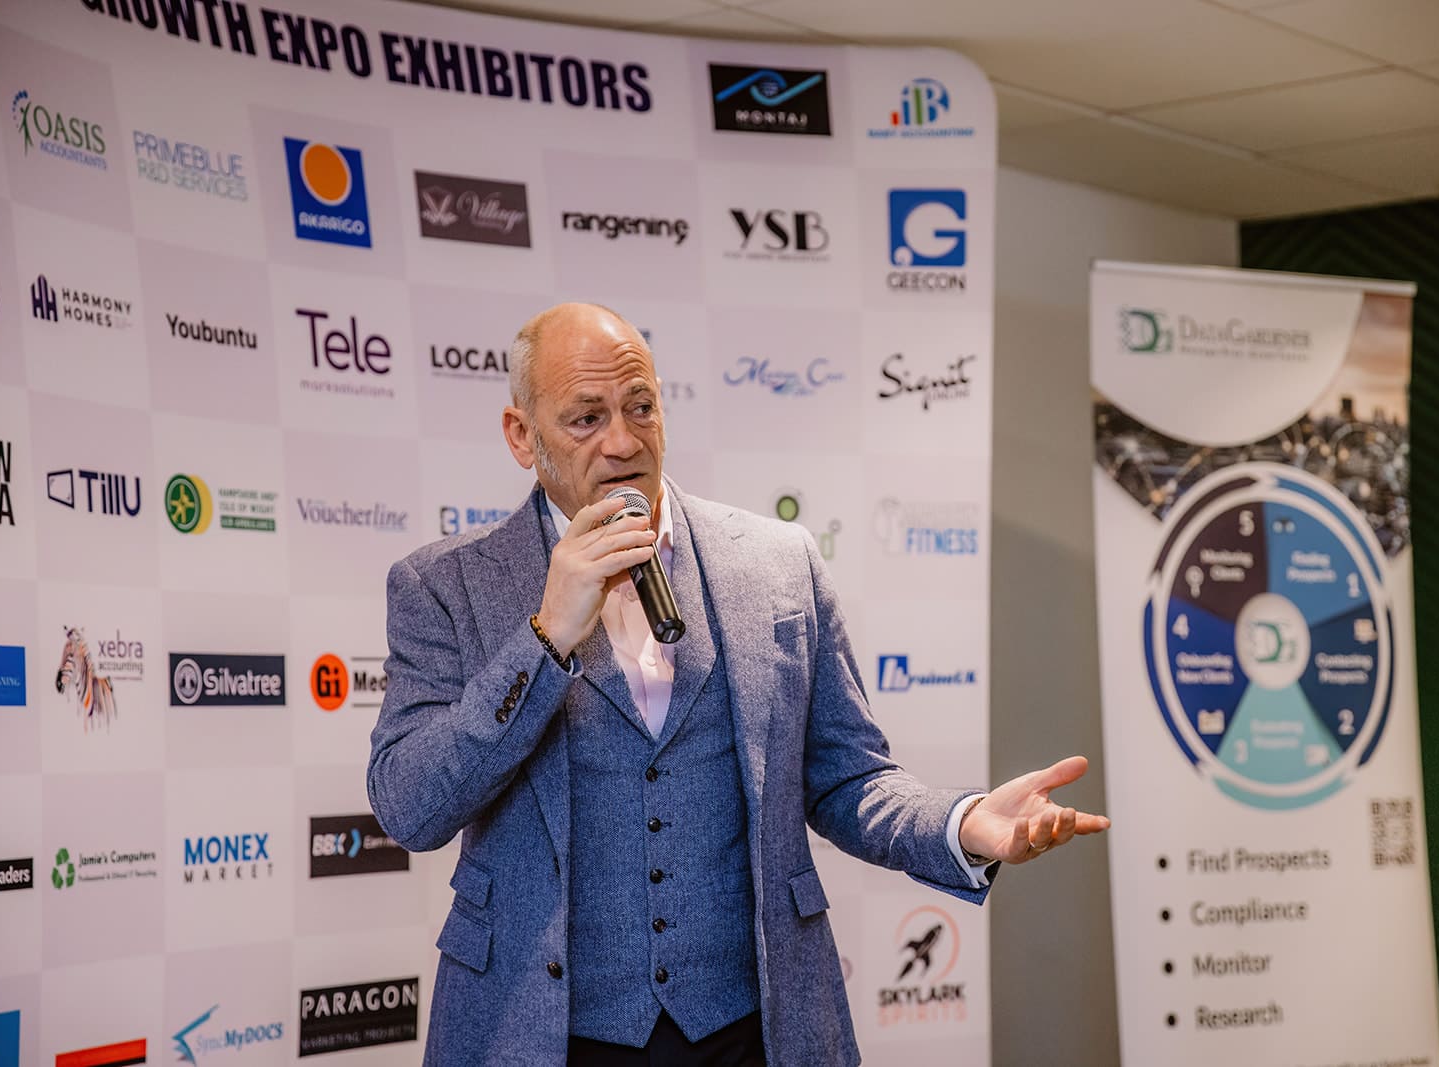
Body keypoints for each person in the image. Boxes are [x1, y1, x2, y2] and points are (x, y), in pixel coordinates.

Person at [367, 303, 1109, 1066]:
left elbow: (849, 778)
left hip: (754, 1029)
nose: (623, 441)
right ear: (522, 435)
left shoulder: (778, 562)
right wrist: (545, 635)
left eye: (640, 407)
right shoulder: (444, 587)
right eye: (586, 418)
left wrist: (963, 824)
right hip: (538, 1036)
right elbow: (410, 806)